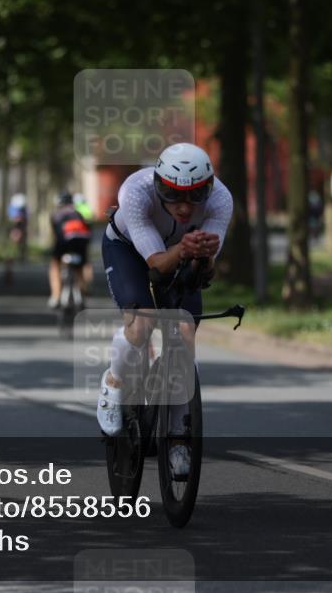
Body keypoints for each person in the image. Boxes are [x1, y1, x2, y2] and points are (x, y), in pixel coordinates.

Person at [96, 142, 232, 478]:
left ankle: (178, 440)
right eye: (172, 195)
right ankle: (113, 383)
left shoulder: (221, 200)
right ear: (158, 186)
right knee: (141, 324)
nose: (184, 207)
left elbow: (206, 271)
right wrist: (185, 249)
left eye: (195, 196)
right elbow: (157, 266)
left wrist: (203, 259)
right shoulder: (135, 192)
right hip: (129, 251)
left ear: (208, 189)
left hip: (181, 253)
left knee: (184, 333)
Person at [48, 192, 92, 308]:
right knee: (80, 267)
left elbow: (56, 235)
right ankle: (82, 293)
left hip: (65, 242)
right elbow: (87, 230)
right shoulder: (78, 213)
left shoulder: (56, 214)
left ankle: (56, 296)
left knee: (55, 265)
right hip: (81, 242)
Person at [8, 193, 29, 263]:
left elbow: (25, 218)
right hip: (15, 227)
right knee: (14, 242)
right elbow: (13, 219)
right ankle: (10, 257)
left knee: (22, 242)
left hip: (22, 226)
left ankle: (22, 257)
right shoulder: (12, 208)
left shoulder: (24, 208)